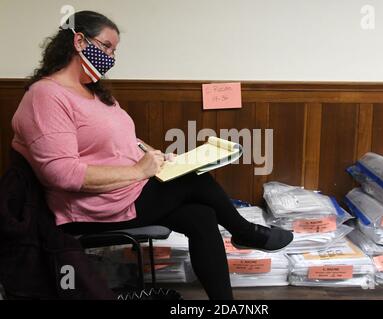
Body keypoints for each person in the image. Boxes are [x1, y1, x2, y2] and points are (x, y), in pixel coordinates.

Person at [11, 11, 294, 300]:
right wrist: (140, 171)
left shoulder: (93, 92)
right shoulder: (46, 96)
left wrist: (150, 153)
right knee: (193, 181)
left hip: (123, 192)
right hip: (90, 207)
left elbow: (118, 141)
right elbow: (61, 174)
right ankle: (245, 231)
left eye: (114, 50)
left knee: (202, 216)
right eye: (106, 46)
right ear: (80, 41)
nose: (110, 56)